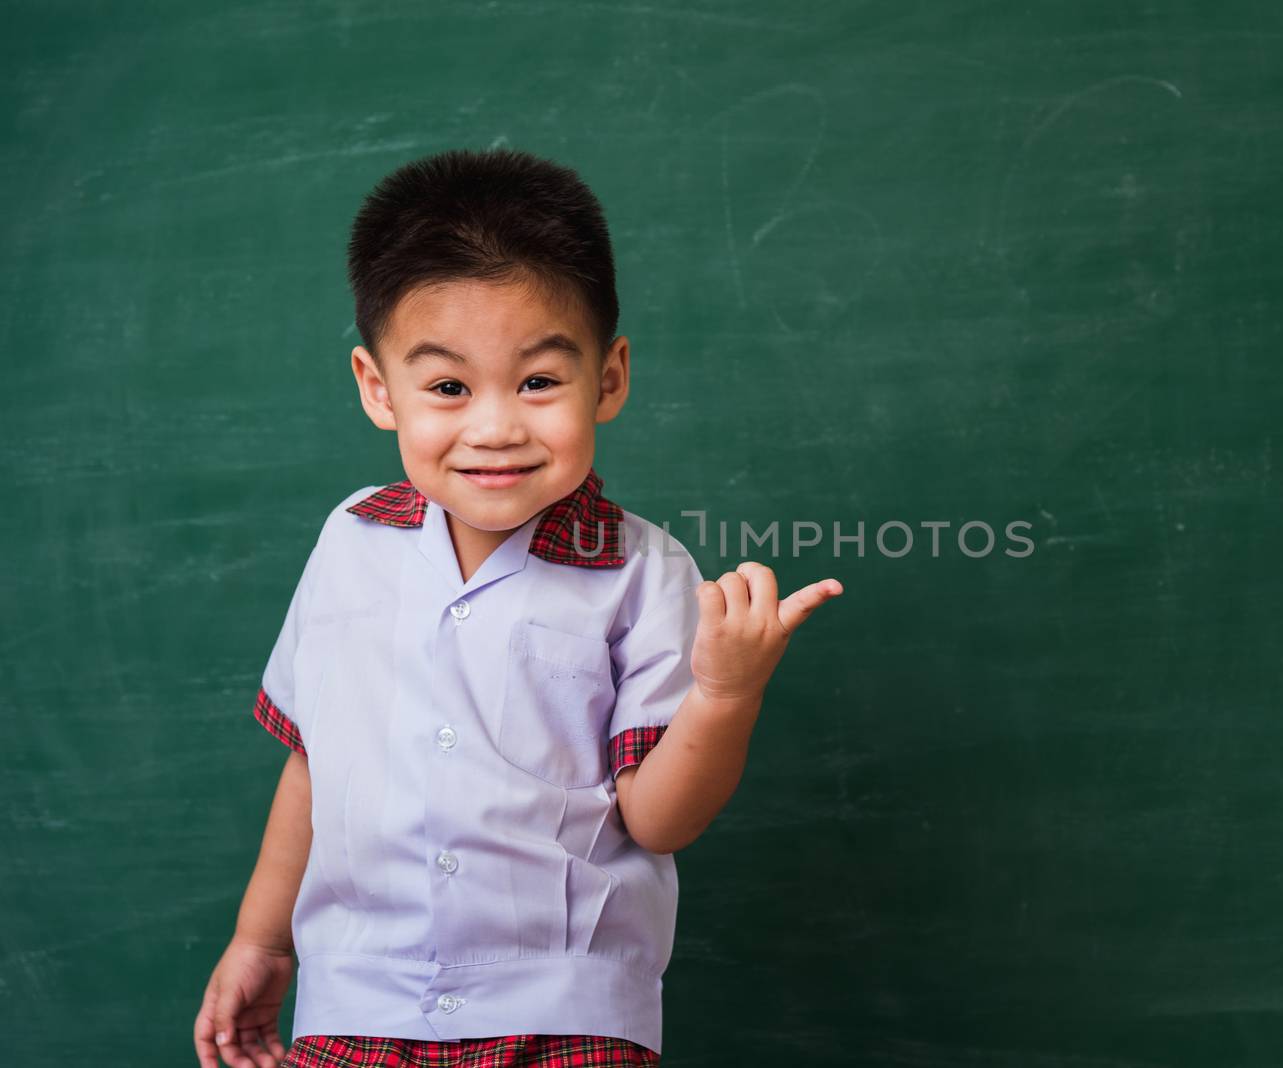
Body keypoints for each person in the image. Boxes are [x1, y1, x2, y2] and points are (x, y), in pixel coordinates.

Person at [192, 147, 844, 1068]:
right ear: (379, 389)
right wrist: (263, 943)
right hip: (359, 1005)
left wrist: (726, 696)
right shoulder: (350, 541)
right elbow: (313, 762)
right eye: (448, 387)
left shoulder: (644, 572)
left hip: (564, 1010)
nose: (495, 427)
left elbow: (657, 819)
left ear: (608, 379)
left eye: (538, 381)